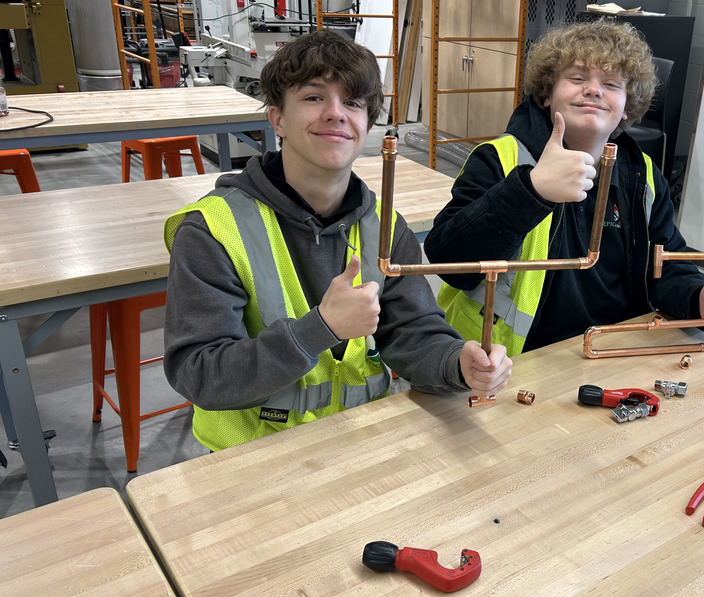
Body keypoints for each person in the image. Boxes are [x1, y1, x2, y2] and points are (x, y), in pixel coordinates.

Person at [162, 30, 512, 451]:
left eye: (352, 102)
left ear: (366, 124)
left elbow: (412, 331)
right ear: (277, 119)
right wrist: (320, 329)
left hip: (361, 442)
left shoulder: (384, 226)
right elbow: (201, 373)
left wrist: (457, 363)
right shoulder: (212, 230)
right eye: (313, 98)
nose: (336, 113)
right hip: (251, 457)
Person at [423, 20, 704, 356]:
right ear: (546, 94)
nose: (594, 90)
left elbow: (665, 263)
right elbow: (448, 261)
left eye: (611, 83)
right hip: (511, 361)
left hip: (612, 350)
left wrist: (697, 297)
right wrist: (530, 191)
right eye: (576, 78)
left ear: (626, 105)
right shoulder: (500, 160)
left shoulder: (642, 176)